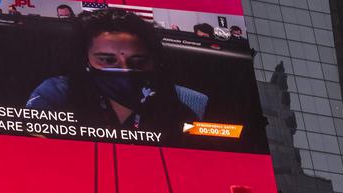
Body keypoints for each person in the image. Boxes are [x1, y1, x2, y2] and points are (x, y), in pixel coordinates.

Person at [27, 8, 208, 135]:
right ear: (85, 59)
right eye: (107, 60)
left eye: (138, 61)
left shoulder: (174, 106)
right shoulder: (55, 93)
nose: (124, 69)